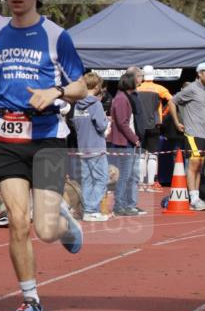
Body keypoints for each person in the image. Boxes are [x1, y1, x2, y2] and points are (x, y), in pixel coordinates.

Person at [0, 0, 86, 311]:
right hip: (8, 138)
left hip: (48, 138)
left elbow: (84, 86)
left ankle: (65, 224)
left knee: (45, 230)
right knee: (18, 222)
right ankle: (31, 301)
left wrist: (56, 91)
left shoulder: (56, 35)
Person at [172, 62, 205, 211]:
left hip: (203, 134)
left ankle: (196, 198)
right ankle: (193, 199)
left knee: (199, 167)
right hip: (192, 133)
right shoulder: (191, 88)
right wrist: (177, 122)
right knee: (193, 165)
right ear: (200, 74)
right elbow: (173, 101)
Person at [107, 70, 145, 216]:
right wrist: (134, 138)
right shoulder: (122, 99)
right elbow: (123, 123)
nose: (137, 82)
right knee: (124, 176)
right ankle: (120, 205)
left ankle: (124, 205)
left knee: (126, 175)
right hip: (124, 143)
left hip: (125, 142)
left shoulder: (121, 97)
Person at [73, 73, 110, 222]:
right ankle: (91, 209)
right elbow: (101, 126)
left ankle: (88, 210)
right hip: (96, 146)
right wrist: (106, 120)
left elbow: (75, 124)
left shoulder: (77, 104)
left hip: (83, 146)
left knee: (87, 180)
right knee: (101, 179)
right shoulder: (96, 104)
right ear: (96, 87)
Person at [137, 65, 180, 188]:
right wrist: (164, 113)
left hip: (139, 124)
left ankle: (140, 182)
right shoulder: (159, 88)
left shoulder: (137, 88)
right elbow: (172, 100)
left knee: (141, 155)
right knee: (152, 154)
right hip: (154, 125)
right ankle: (151, 182)